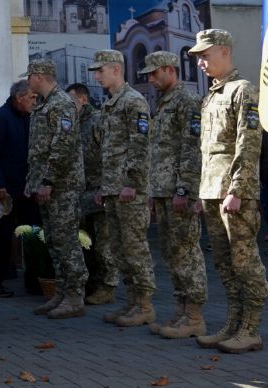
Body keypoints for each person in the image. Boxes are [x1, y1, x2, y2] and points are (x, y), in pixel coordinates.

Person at [191, 29, 268, 354]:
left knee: (244, 260)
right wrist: (202, 191)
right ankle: (233, 323)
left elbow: (248, 144)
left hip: (234, 192)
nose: (201, 63)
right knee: (224, 262)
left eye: (205, 56)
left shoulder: (243, 91)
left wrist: (236, 189)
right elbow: (208, 150)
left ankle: (250, 328)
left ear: (224, 51)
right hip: (212, 189)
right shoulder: (212, 95)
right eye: (199, 58)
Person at [140, 52, 206, 339]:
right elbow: (160, 150)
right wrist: (155, 190)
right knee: (171, 252)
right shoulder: (165, 101)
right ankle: (181, 311)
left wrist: (184, 189)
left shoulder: (186, 101)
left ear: (170, 69)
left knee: (186, 252)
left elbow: (191, 148)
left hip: (180, 191)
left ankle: (194, 316)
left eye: (154, 74)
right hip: (164, 190)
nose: (151, 79)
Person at [90, 50, 155, 327]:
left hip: (130, 190)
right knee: (118, 248)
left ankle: (145, 305)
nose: (97, 75)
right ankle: (131, 302)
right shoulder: (111, 104)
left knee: (135, 248)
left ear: (116, 69)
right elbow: (108, 150)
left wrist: (131, 182)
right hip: (114, 188)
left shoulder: (134, 101)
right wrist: (105, 185)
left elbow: (139, 145)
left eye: (100, 70)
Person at [24, 60, 88, 318]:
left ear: (39, 76)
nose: (28, 82)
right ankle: (61, 292)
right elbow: (38, 149)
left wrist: (48, 181)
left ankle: (75, 296)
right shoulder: (45, 104)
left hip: (62, 185)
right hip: (46, 184)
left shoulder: (61, 104)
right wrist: (33, 181)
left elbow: (63, 146)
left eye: (30, 77)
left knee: (66, 240)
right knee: (53, 240)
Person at [0, 79, 35, 298]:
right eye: (31, 97)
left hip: (24, 188)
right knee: (1, 239)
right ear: (19, 98)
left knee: (31, 234)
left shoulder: (27, 117)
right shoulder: (0, 118)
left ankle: (33, 281)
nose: (34, 101)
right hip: (3, 191)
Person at [69, 83, 115, 304]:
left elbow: (110, 155)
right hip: (82, 193)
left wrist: (105, 187)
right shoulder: (74, 124)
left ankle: (107, 286)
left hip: (98, 192)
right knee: (86, 242)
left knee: (104, 243)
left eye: (71, 102)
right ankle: (91, 284)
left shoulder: (97, 121)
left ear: (83, 99)